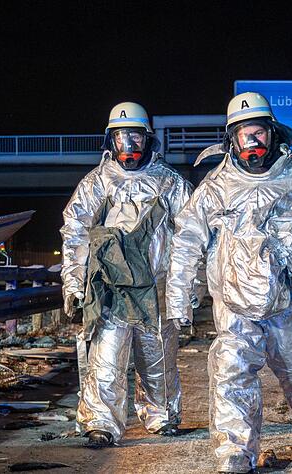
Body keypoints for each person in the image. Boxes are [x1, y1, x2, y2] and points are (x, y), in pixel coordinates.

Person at [166, 92, 292, 473]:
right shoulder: (214, 188)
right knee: (230, 373)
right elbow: (186, 242)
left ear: (272, 134)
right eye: (244, 135)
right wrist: (179, 300)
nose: (252, 143)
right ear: (231, 140)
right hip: (237, 306)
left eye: (258, 133)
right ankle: (235, 452)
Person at [60, 102, 192, 447]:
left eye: (134, 138)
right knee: (106, 360)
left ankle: (161, 417)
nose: (128, 147)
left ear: (148, 139)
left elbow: (191, 237)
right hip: (110, 291)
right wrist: (74, 284)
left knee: (158, 361)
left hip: (156, 290)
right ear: (110, 140)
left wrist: (189, 288)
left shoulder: (170, 184)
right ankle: (101, 423)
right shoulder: (96, 184)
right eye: (121, 139)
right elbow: (75, 234)